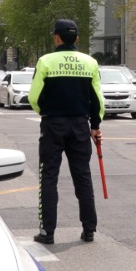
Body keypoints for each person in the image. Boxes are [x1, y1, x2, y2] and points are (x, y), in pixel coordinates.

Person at [29, 18, 104, 244]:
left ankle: (47, 232)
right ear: (77, 38)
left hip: (53, 124)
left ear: (57, 37)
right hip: (81, 126)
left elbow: (34, 97)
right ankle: (89, 229)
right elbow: (98, 99)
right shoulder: (90, 62)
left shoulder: (45, 61)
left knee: (49, 177)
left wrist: (46, 112)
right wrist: (95, 126)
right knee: (83, 177)